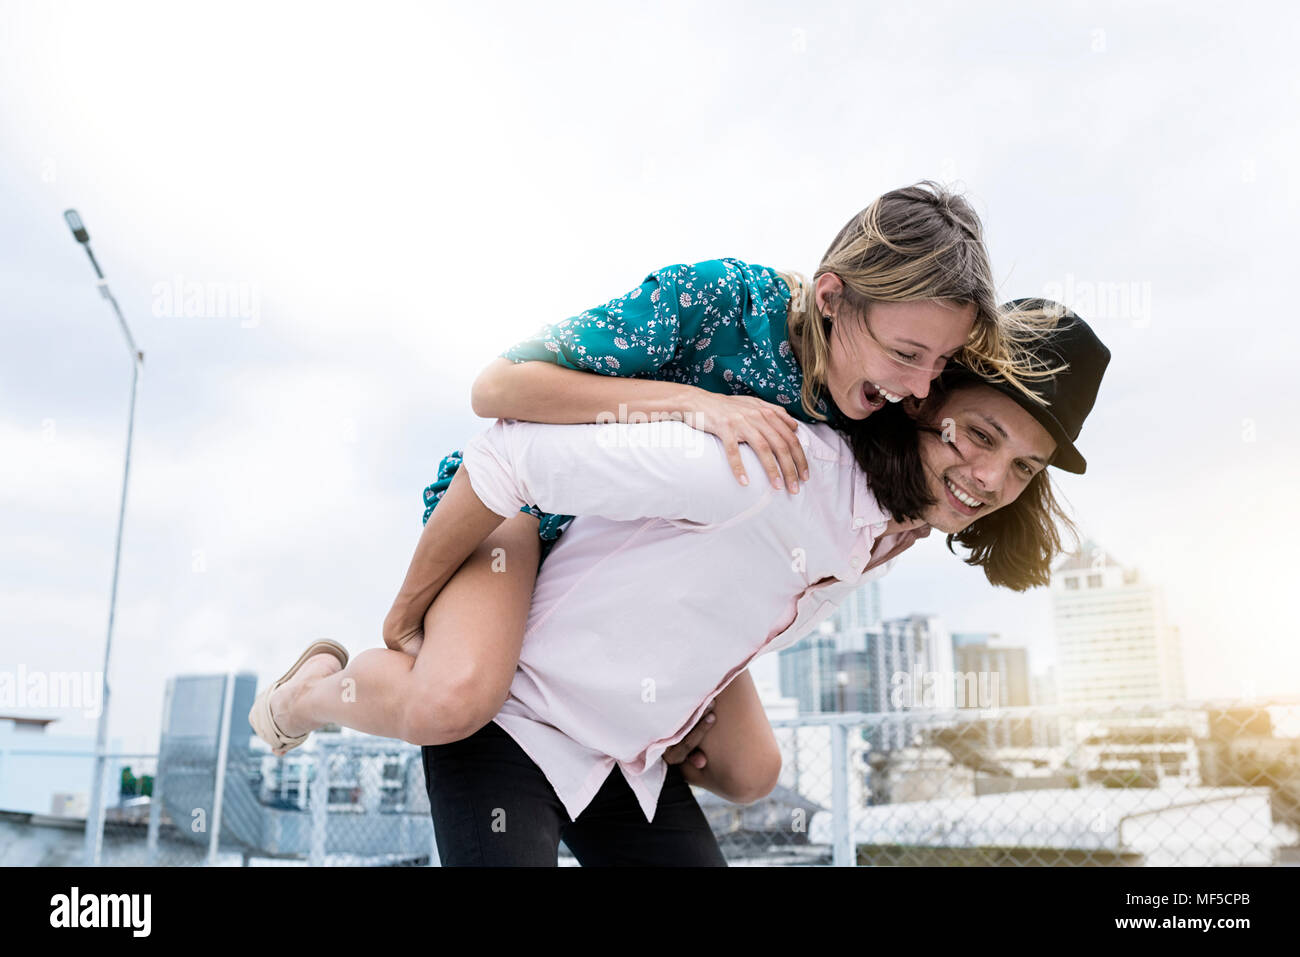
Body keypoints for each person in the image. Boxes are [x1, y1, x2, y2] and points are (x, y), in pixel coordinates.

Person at [250, 301, 1110, 865]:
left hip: (628, 750)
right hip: (517, 712)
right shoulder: (772, 464)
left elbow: (745, 597)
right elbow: (510, 445)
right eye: (979, 433)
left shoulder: (895, 527)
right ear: (921, 397)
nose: (990, 476)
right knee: (449, 700)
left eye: (1023, 466)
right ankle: (317, 691)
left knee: (753, 771)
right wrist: (410, 608)